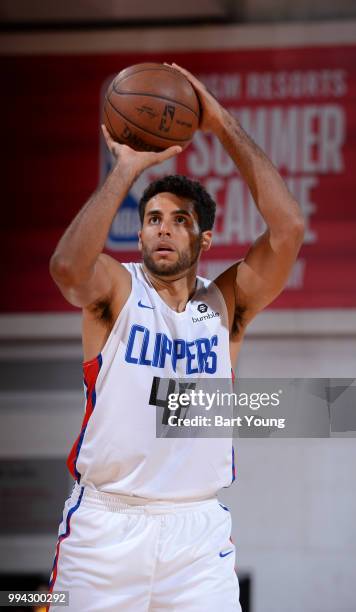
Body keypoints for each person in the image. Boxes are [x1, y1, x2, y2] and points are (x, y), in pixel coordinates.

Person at [47, 63, 304, 612]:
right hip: (104, 529)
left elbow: (288, 230)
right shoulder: (116, 290)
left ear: (205, 237)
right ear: (139, 232)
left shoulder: (226, 304)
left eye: (180, 219)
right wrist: (126, 169)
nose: (164, 227)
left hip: (197, 534)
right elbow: (68, 268)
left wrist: (220, 123)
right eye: (154, 218)